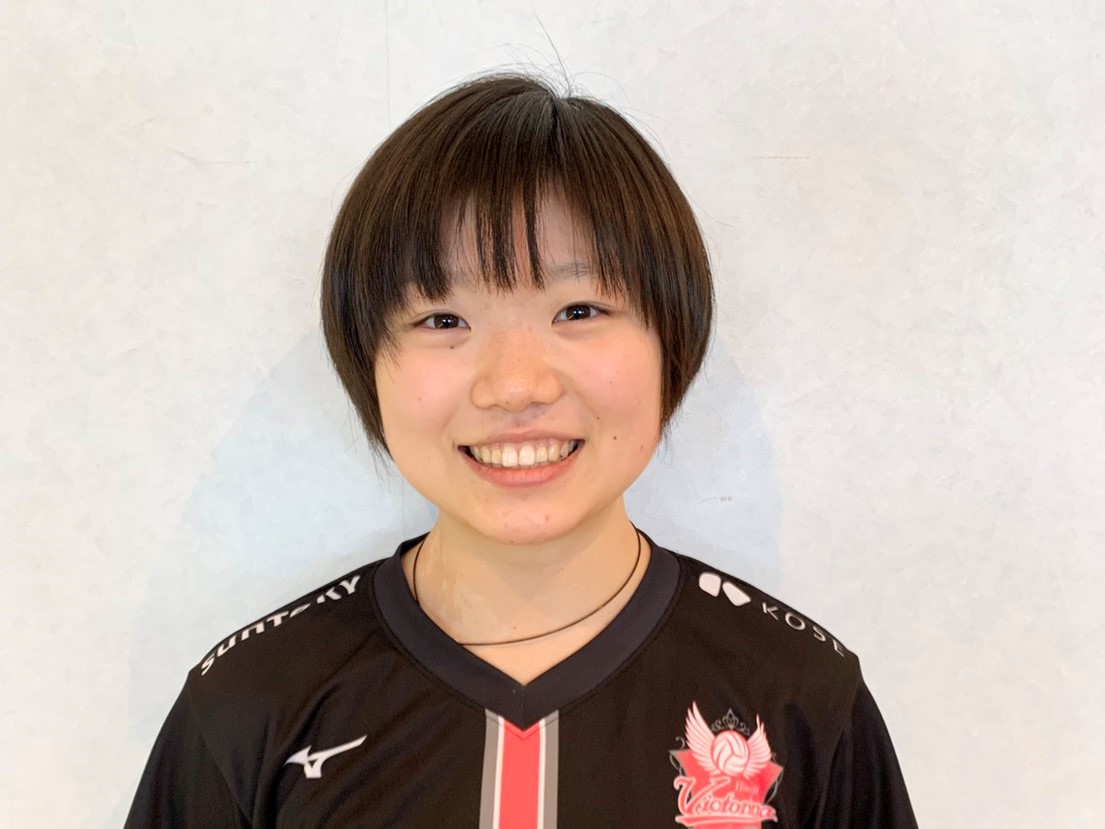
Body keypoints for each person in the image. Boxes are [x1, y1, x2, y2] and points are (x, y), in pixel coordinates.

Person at [125, 73, 917, 828]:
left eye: (578, 309)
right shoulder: (249, 703)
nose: (514, 385)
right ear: (367, 363)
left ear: (671, 341)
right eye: (443, 320)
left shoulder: (800, 698)